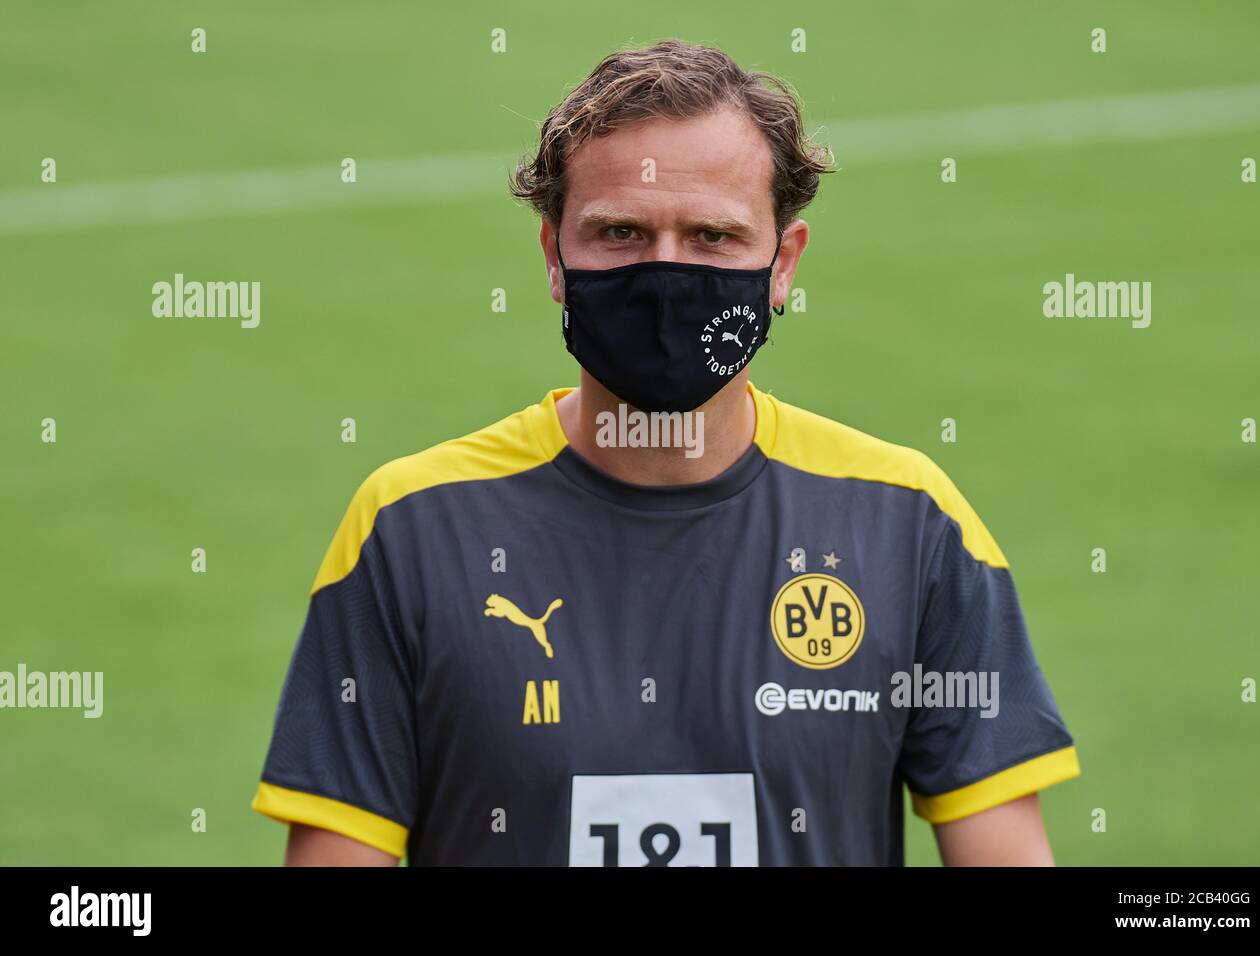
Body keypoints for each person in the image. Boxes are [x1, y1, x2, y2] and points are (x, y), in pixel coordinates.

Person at [251, 39, 1079, 866]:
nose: (666, 276)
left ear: (783, 263)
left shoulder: (910, 522)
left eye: (714, 237)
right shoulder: (410, 528)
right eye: (620, 232)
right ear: (553, 257)